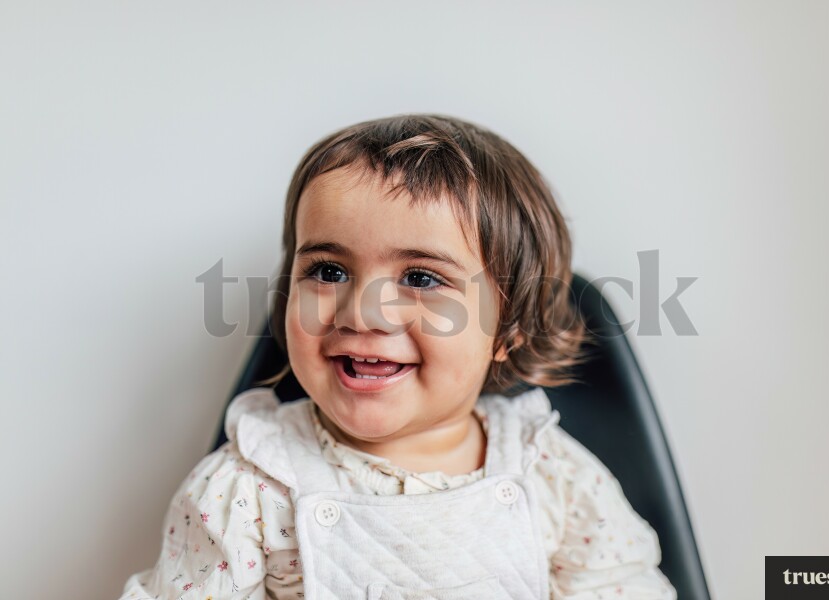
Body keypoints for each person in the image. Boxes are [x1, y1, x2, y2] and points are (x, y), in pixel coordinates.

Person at [119, 115, 677, 599]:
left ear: (509, 327)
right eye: (328, 271)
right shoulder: (247, 491)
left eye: (420, 277)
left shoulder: (553, 475)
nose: (362, 312)